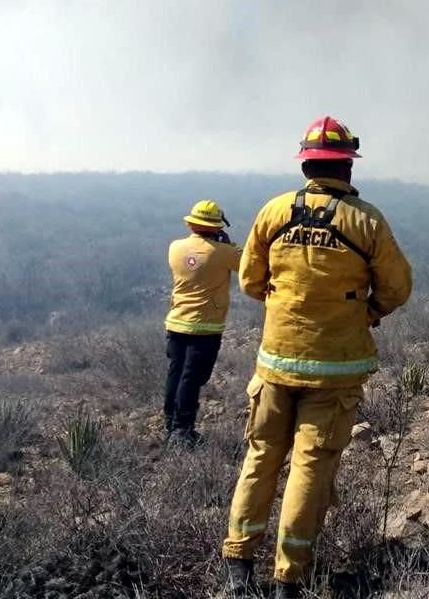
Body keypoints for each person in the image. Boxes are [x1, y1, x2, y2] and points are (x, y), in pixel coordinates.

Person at [221, 116, 413, 598]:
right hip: (336, 370)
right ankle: (289, 578)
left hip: (274, 364)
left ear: (306, 164)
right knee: (310, 466)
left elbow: (249, 280)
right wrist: (365, 313)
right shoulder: (365, 219)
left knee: (261, 455)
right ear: (347, 167)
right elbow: (397, 288)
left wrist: (284, 302)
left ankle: (238, 567)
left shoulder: (274, 211)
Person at [164, 200, 241, 448]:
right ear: (217, 226)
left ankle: (171, 425)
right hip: (206, 327)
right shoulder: (223, 252)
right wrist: (227, 244)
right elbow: (245, 264)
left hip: (177, 321)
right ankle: (182, 432)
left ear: (190, 224)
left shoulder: (175, 247)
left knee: (176, 374)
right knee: (192, 377)